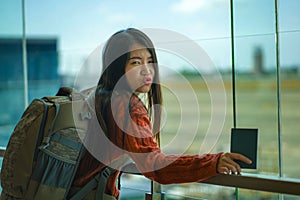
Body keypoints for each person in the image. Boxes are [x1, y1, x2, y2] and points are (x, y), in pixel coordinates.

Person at [73, 28, 252, 199]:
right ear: (117, 68)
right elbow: (156, 167)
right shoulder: (127, 106)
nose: (147, 70)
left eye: (150, 61)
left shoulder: (96, 95)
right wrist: (213, 163)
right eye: (136, 62)